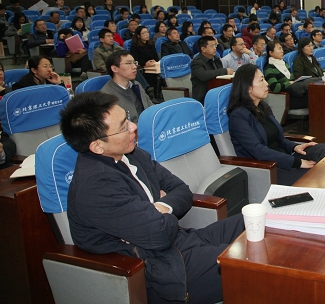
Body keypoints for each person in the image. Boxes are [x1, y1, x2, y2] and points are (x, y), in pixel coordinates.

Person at [60, 92, 244, 303]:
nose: (133, 127)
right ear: (97, 146)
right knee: (253, 260)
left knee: (260, 223)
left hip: (182, 240)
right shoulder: (96, 187)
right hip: (163, 269)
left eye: (128, 119)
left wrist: (159, 208)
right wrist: (160, 213)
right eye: (123, 127)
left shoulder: (133, 154)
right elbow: (160, 233)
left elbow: (182, 190)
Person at [228, 64, 325, 186]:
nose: (266, 84)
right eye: (261, 80)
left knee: (324, 150)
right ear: (248, 87)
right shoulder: (238, 116)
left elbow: (280, 138)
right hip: (268, 166)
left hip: (282, 156)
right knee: (313, 174)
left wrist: (294, 147)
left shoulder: (263, 106)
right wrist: (297, 162)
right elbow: (258, 151)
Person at [100, 51, 153, 123]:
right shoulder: (106, 96)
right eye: (128, 63)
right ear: (114, 68)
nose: (134, 67)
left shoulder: (136, 85)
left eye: (134, 63)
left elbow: (151, 107)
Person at [263, 40, 309, 109]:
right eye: (279, 49)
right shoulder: (269, 69)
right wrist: (289, 83)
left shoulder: (284, 63)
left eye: (282, 48)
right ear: (271, 53)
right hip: (285, 98)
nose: (282, 51)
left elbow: (292, 79)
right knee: (313, 98)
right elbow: (275, 87)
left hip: (294, 94)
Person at [190, 36, 232, 104]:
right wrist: (225, 71)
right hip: (203, 96)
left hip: (217, 92)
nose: (215, 48)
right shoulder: (196, 62)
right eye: (212, 46)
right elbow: (203, 75)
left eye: (215, 45)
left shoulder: (216, 59)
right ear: (203, 49)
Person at [130, 26, 162, 101]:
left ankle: (159, 95)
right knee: (157, 76)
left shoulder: (151, 44)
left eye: (147, 32)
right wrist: (145, 63)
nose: (147, 34)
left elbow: (156, 58)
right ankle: (155, 96)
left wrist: (154, 61)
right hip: (143, 68)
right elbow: (135, 60)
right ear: (138, 35)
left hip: (153, 66)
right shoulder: (134, 47)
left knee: (162, 72)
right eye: (144, 33)